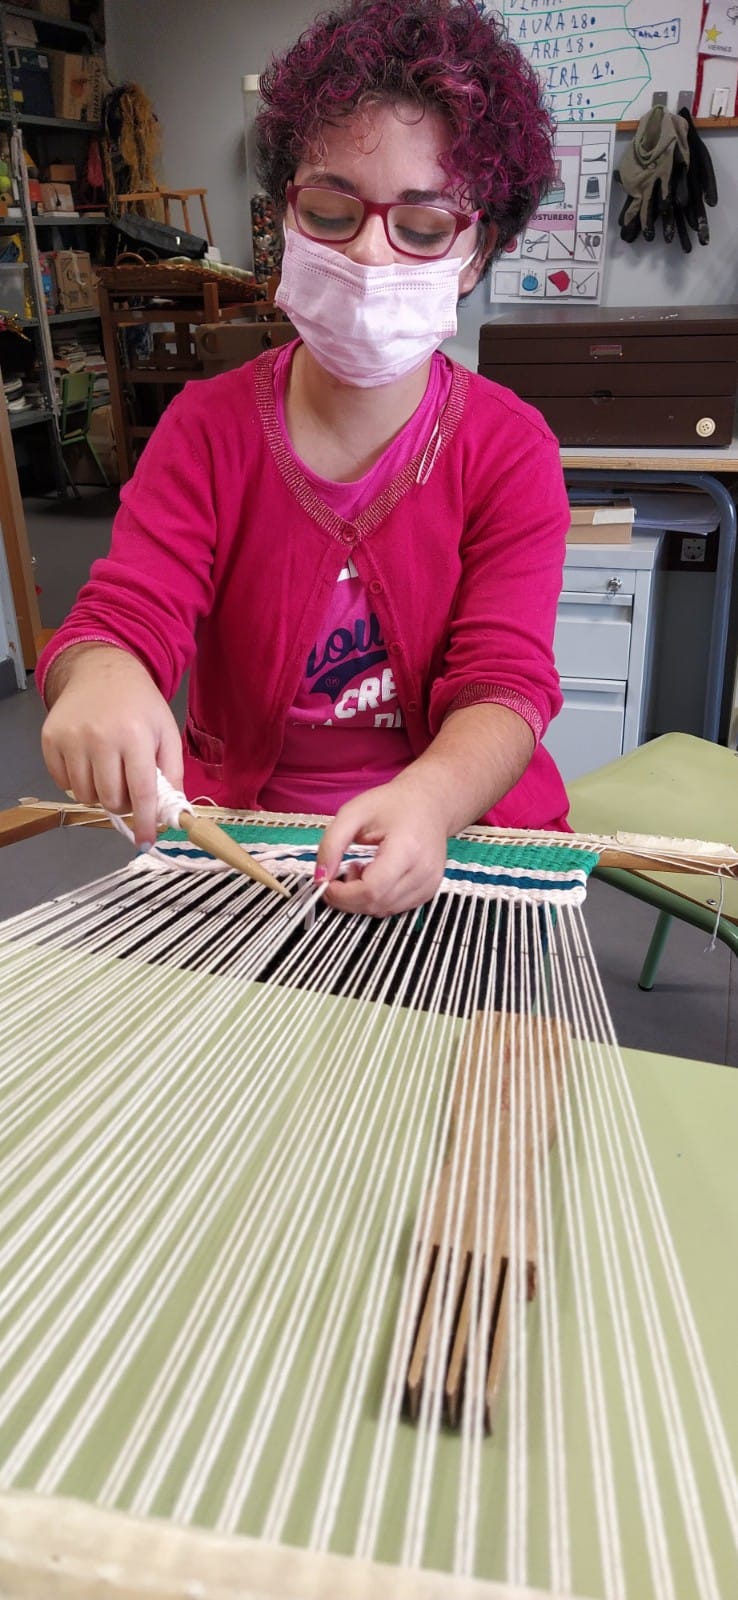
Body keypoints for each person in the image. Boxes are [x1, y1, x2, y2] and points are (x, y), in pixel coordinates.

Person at [38, 0, 571, 921]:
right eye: (330, 211)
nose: (367, 253)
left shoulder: (509, 451)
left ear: (476, 250)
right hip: (246, 852)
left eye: (422, 227)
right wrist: (102, 675)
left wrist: (431, 799)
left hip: (462, 838)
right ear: (283, 212)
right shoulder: (206, 431)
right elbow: (124, 614)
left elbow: (504, 684)